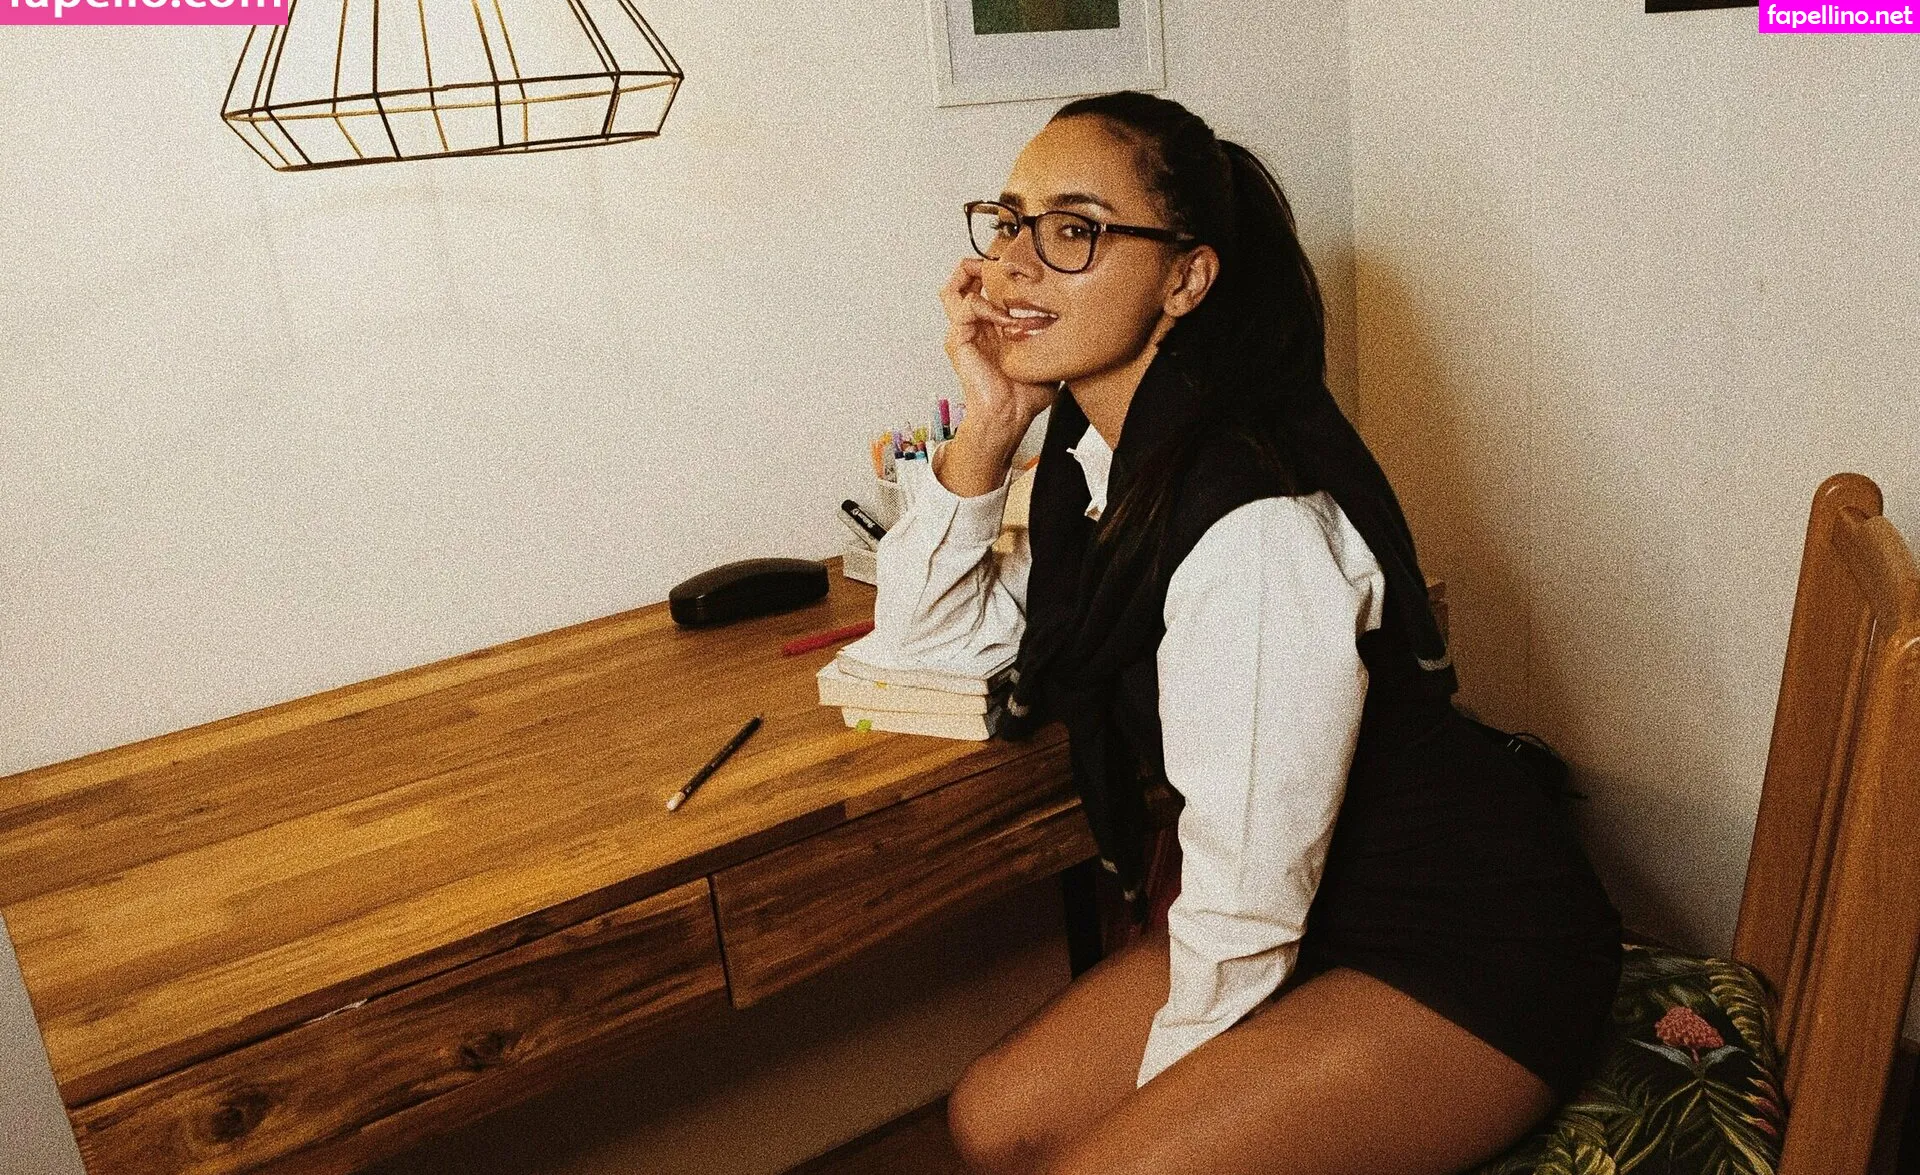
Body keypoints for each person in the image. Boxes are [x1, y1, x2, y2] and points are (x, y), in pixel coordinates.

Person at [868, 91, 1622, 1175]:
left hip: (1468, 949)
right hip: (1311, 905)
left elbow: (1246, 904)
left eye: (1073, 229)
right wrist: (989, 420)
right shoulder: (1100, 461)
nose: (1012, 266)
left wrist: (1168, 1125)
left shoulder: (1254, 526)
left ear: (1186, 280)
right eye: (1009, 221)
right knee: (992, 1119)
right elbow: (925, 643)